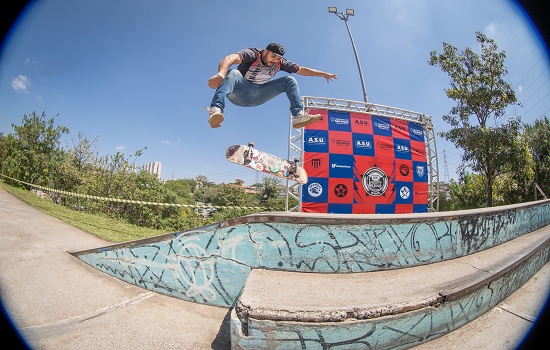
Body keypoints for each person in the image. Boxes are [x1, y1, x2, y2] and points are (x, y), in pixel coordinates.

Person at [206, 43, 337, 129]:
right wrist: (221, 74)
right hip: (241, 93)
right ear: (265, 51)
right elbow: (230, 58)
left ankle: (297, 116)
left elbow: (302, 70)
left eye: (277, 58)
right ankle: (216, 110)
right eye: (272, 56)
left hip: (259, 95)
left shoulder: (280, 63)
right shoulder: (253, 54)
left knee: (289, 80)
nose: (274, 60)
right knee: (233, 72)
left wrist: (323, 74)